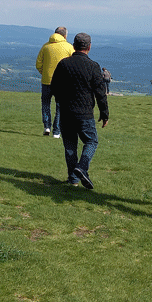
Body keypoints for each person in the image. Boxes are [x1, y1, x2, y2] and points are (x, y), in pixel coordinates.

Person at [50, 33, 109, 189]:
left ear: (74, 46)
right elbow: (100, 93)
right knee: (91, 141)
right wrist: (104, 113)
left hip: (66, 112)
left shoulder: (63, 64)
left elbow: (54, 86)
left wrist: (61, 100)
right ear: (89, 47)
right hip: (84, 113)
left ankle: (73, 180)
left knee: (70, 146)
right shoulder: (93, 66)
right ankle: (82, 168)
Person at [35, 27, 74, 137]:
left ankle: (47, 127)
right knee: (60, 107)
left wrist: (45, 73)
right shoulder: (69, 47)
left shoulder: (45, 46)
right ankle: (56, 132)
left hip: (46, 81)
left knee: (46, 104)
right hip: (62, 83)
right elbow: (73, 64)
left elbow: (38, 64)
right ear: (65, 35)